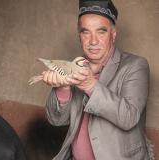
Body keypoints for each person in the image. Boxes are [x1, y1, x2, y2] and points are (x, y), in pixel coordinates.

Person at [42, 0, 150, 159]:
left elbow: (129, 117)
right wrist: (63, 88)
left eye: (101, 31)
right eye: (86, 32)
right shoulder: (75, 67)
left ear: (113, 35)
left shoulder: (135, 66)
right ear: (80, 36)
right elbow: (55, 120)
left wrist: (90, 85)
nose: (93, 41)